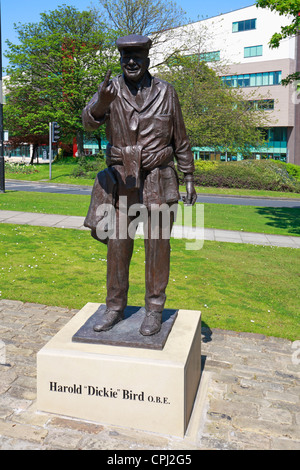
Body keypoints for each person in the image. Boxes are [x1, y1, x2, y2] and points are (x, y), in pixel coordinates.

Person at [82, 34, 196, 336]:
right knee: (118, 246)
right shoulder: (110, 90)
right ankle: (114, 307)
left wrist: (188, 178)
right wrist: (101, 103)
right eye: (125, 59)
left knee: (158, 247)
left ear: (147, 60)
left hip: (159, 179)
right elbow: (88, 121)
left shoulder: (166, 92)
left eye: (137, 58)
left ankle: (154, 309)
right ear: (121, 61)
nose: (131, 63)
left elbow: (180, 139)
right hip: (122, 181)